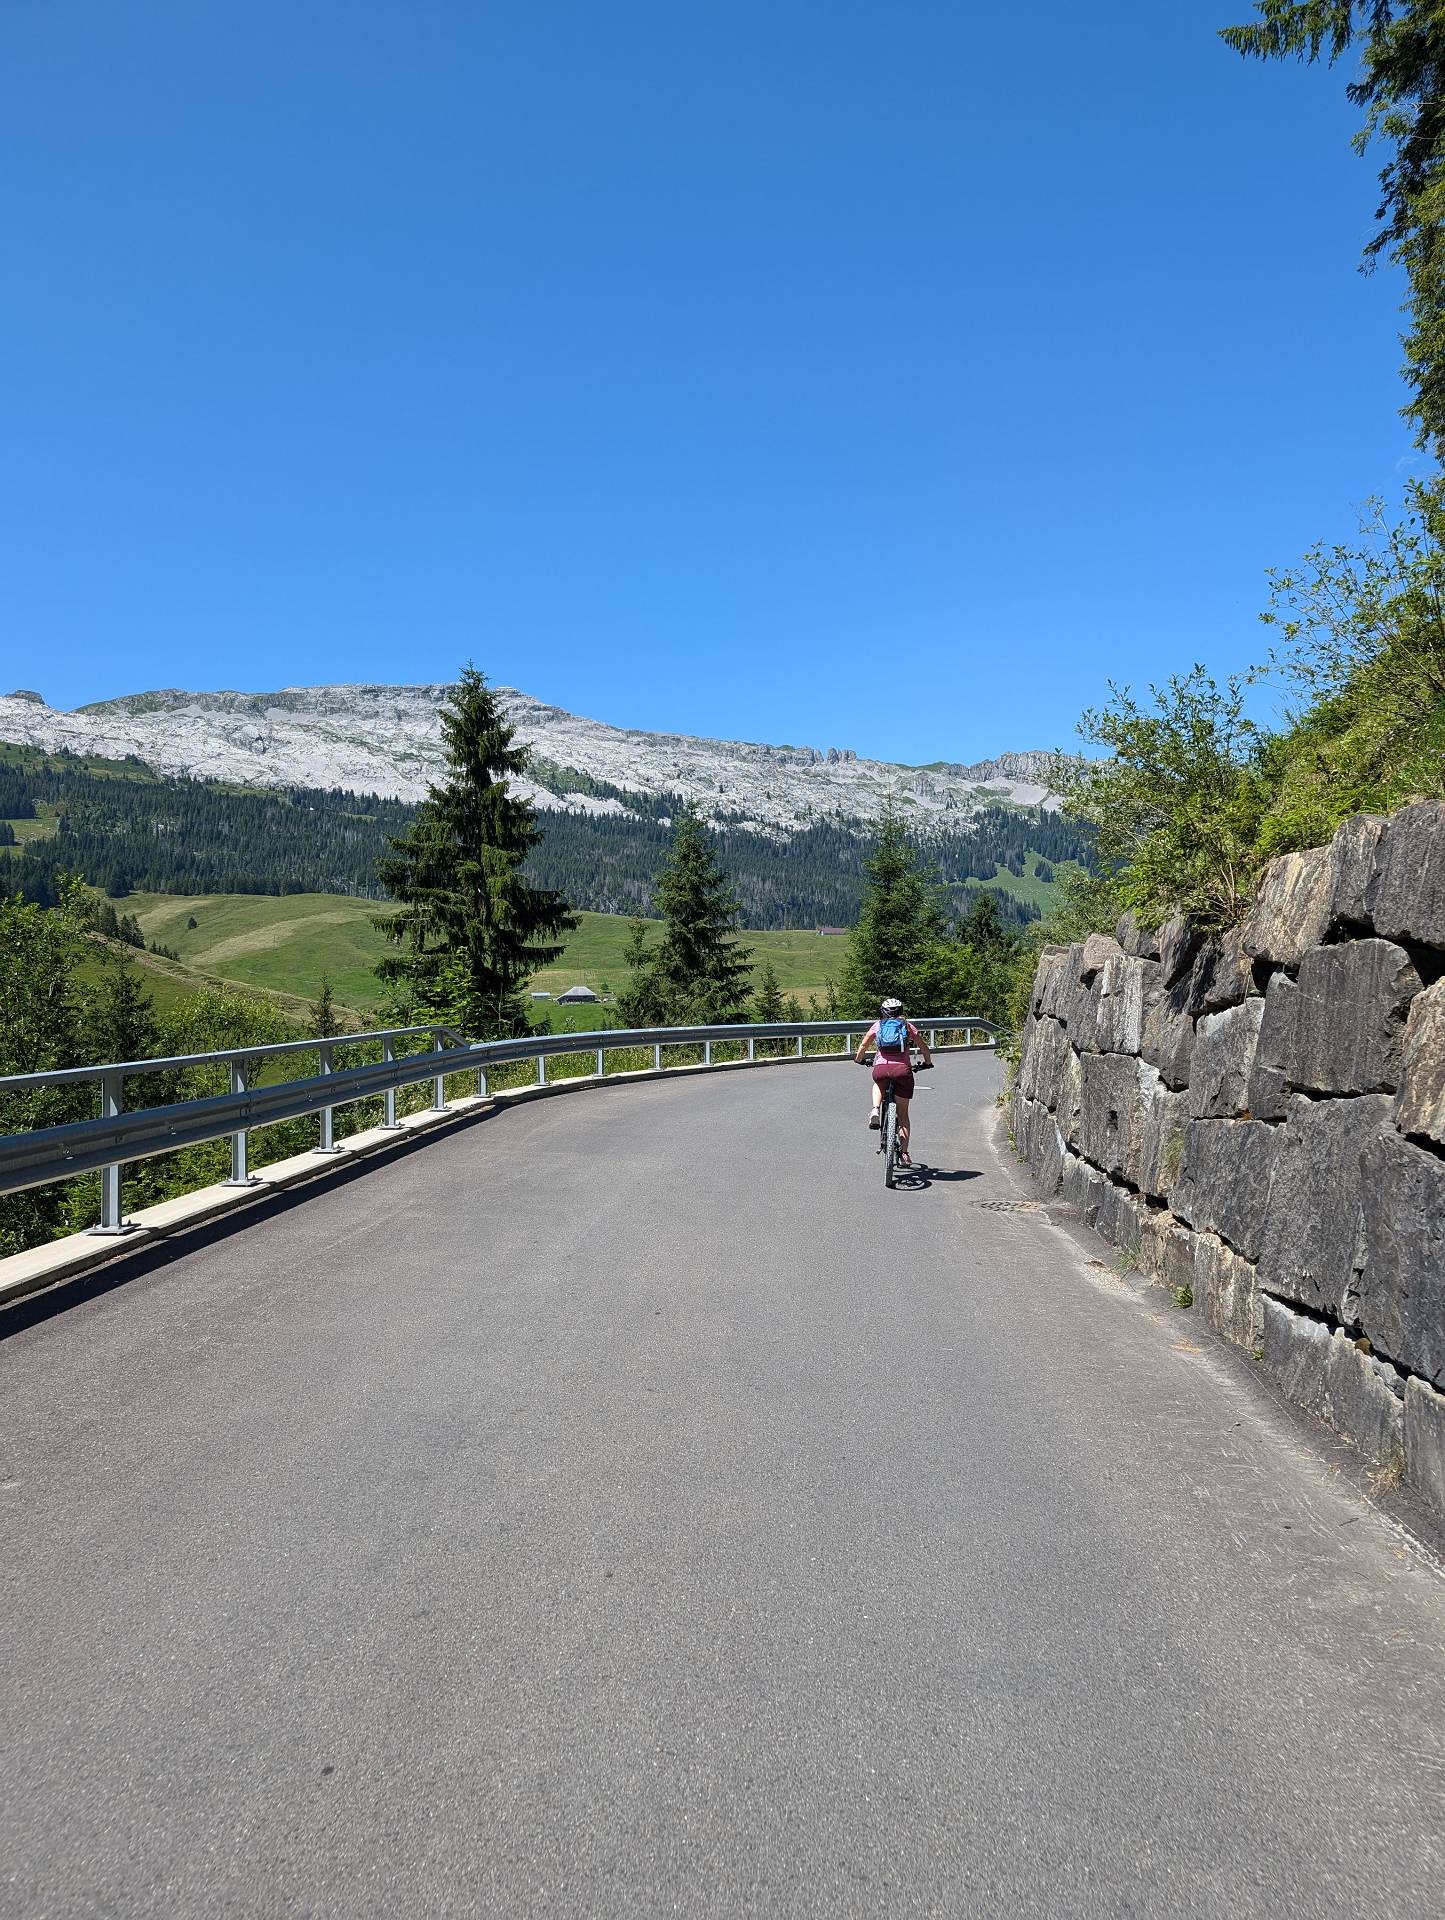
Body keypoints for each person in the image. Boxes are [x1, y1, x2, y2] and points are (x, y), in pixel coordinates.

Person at [854, 997, 932, 1168]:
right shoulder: (907, 1026)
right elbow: (924, 1047)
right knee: (903, 1115)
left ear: (883, 1011)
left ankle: (875, 1109)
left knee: (878, 1082)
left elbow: (864, 1044)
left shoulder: (878, 1025)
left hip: (881, 1069)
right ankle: (904, 1154)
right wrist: (927, 1063)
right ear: (900, 1010)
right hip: (903, 1071)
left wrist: (858, 1059)